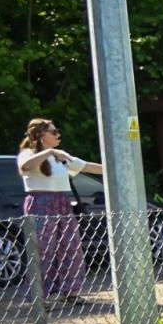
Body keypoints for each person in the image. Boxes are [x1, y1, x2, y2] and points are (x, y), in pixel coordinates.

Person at [15, 118, 101, 304]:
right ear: (40, 135)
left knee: (71, 247)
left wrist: (120, 168)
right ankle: (37, 296)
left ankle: (70, 292)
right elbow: (25, 167)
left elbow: (87, 166)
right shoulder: (28, 154)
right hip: (40, 204)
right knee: (42, 250)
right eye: (54, 132)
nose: (58, 135)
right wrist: (50, 152)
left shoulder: (60, 157)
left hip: (62, 203)